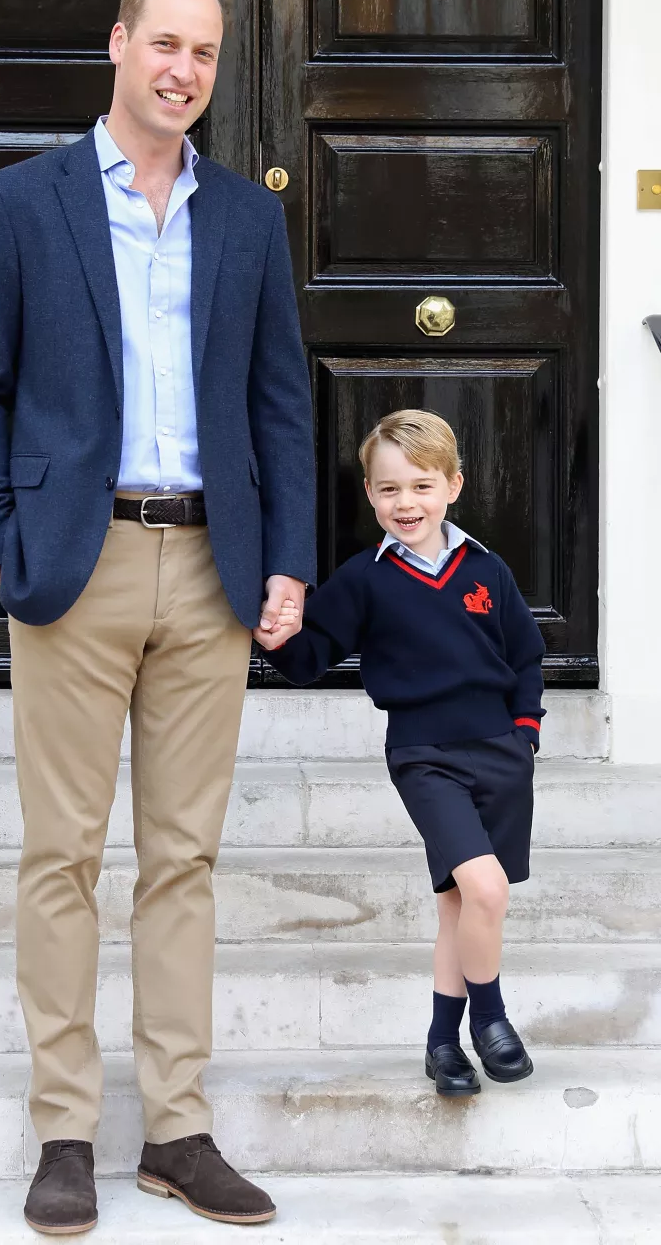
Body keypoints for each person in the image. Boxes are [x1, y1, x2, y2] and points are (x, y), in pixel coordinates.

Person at [0, 0, 315, 1235]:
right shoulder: (20, 203)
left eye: (204, 53)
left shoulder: (247, 220)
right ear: (118, 45)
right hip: (75, 562)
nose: (184, 70)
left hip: (211, 569)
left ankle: (175, 1128)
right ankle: (61, 1129)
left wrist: (287, 559)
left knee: (183, 861)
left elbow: (280, 399)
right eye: (165, 42)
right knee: (60, 856)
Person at [266, 410, 544, 1101]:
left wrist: (526, 731)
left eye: (421, 486)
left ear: (453, 485)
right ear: (368, 494)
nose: (406, 503)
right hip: (425, 755)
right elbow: (308, 659)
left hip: (501, 752)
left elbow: (526, 656)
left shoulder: (487, 569)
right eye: (389, 490)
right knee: (486, 889)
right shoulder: (364, 579)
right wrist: (270, 633)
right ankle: (493, 1020)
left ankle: (441, 1044)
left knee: (459, 905)